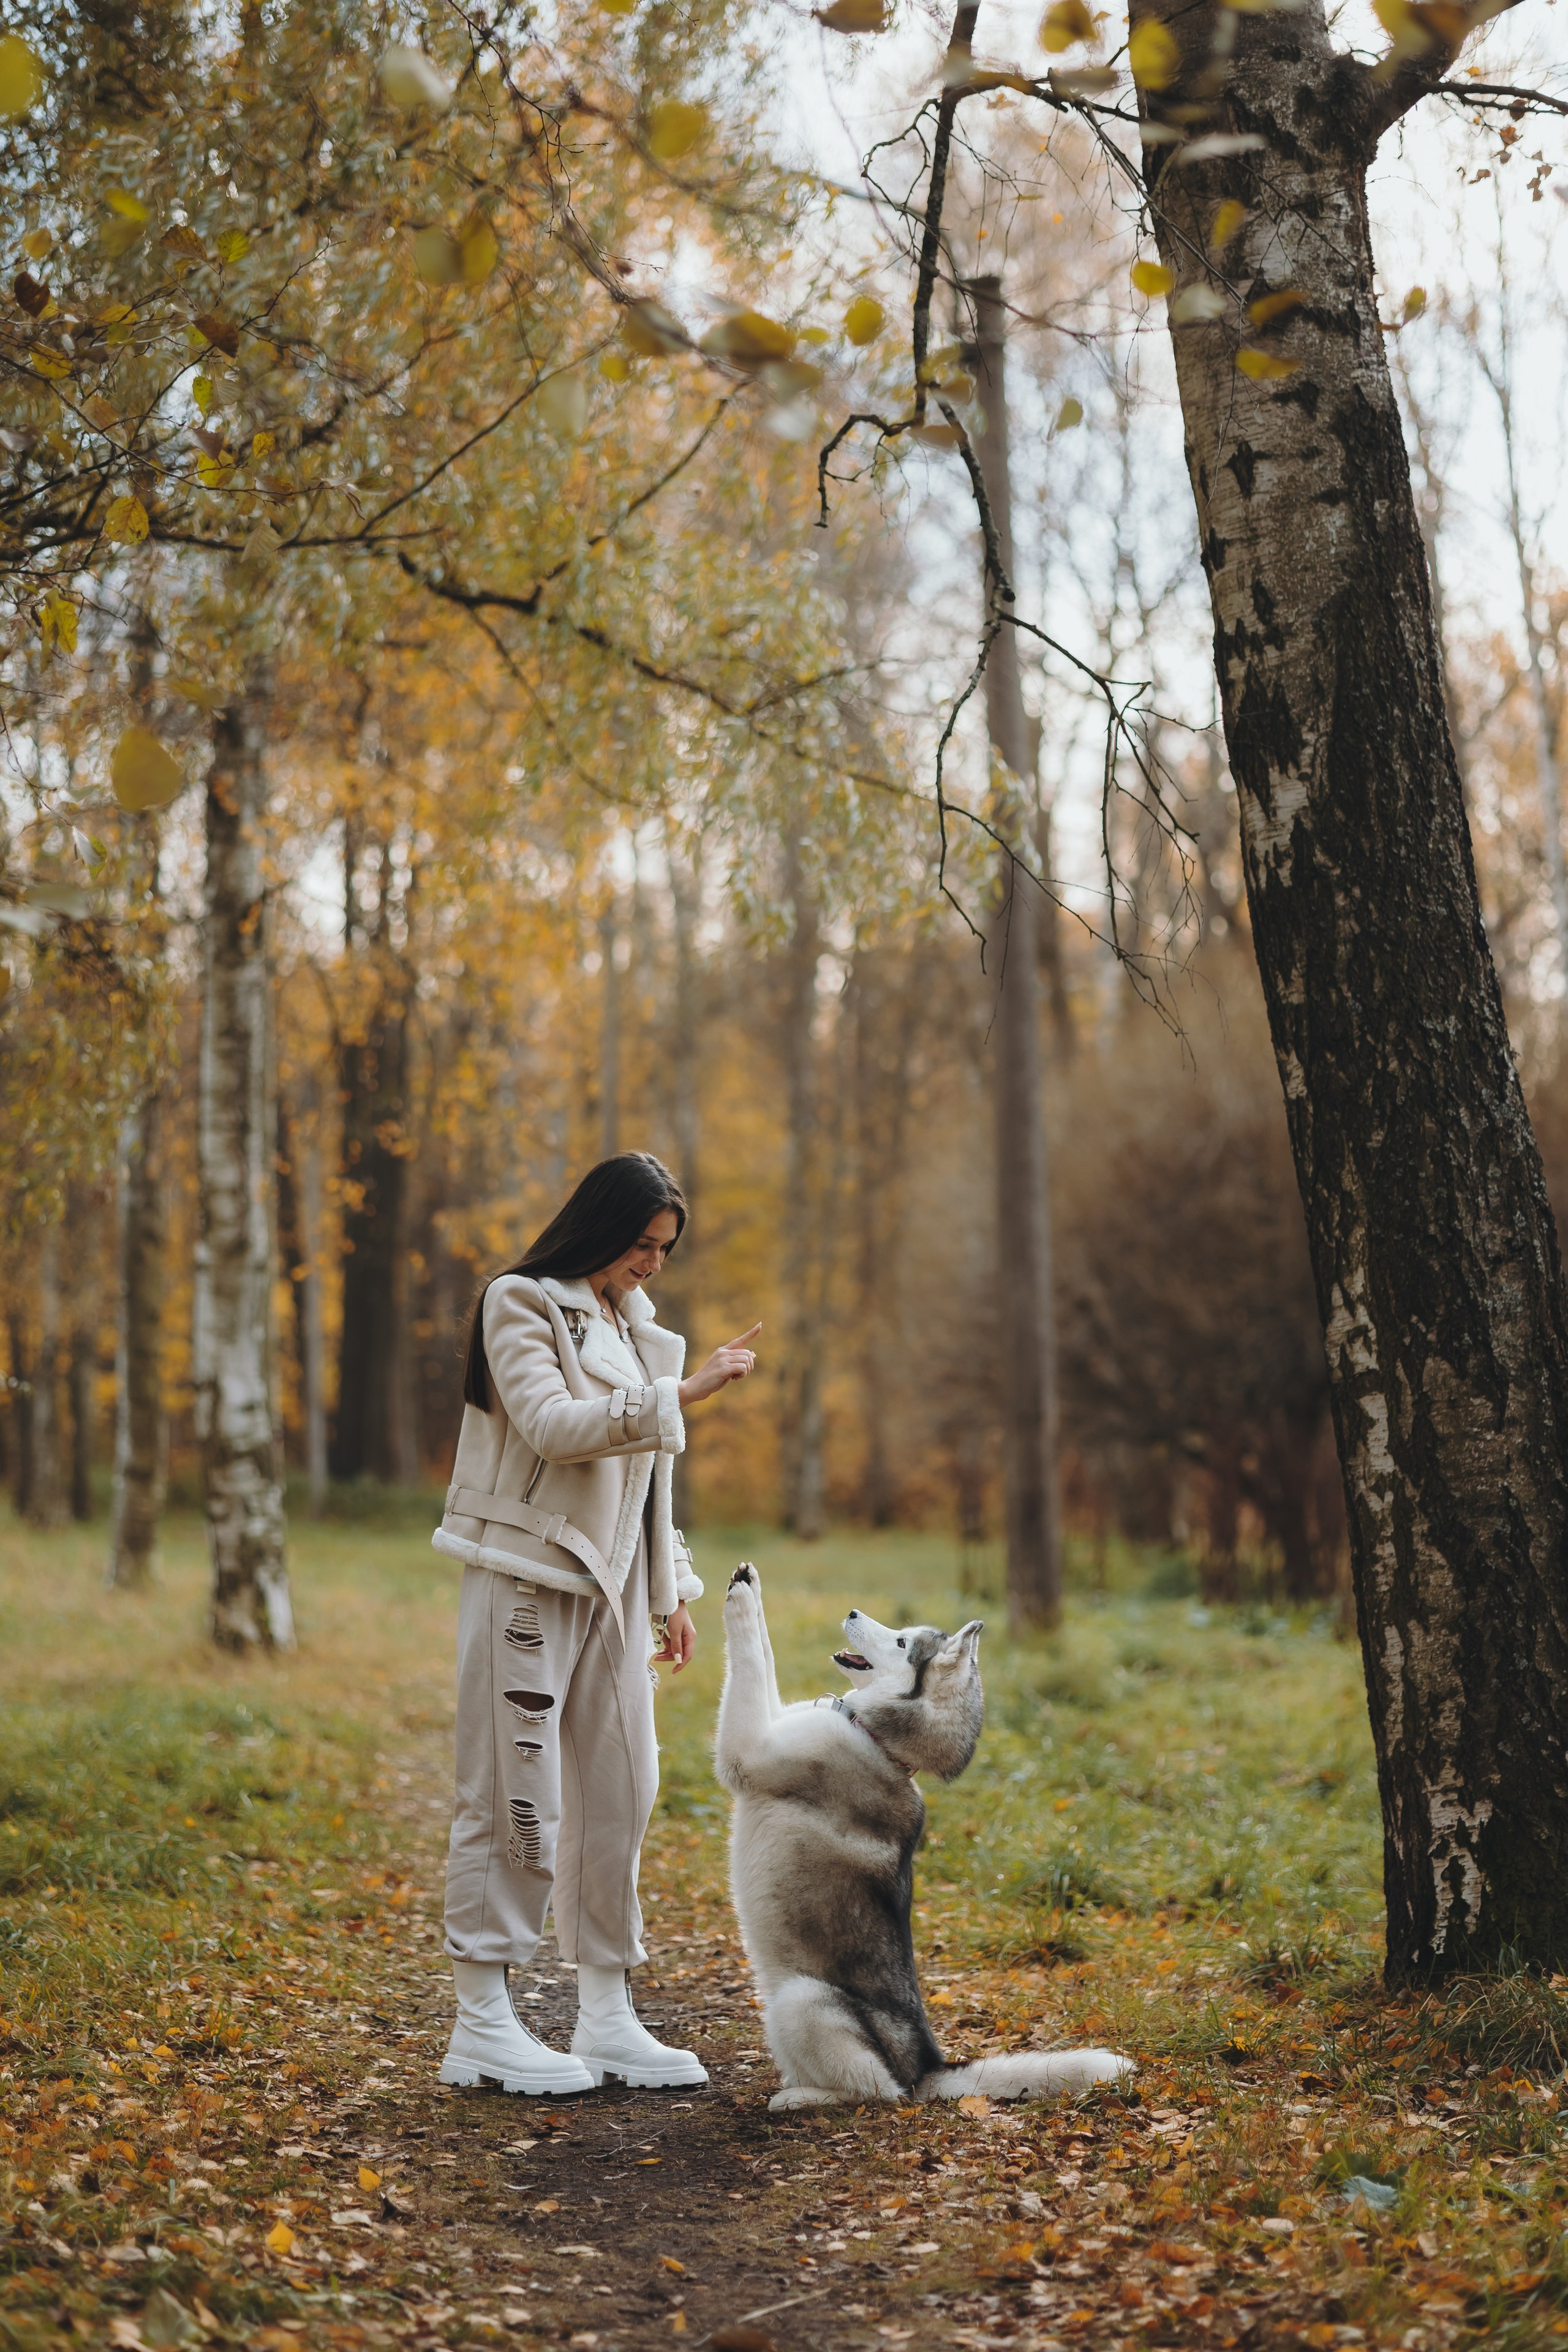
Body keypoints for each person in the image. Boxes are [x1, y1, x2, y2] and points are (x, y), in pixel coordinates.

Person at [432, 1151, 760, 2095]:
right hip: (528, 1576)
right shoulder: (520, 1301)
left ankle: (606, 2013)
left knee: (625, 1787)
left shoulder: (637, 1325)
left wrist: (675, 1588)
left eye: (665, 1249)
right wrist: (682, 1397)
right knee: (513, 1793)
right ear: (601, 1225)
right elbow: (551, 1426)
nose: (654, 1262)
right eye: (643, 1243)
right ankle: (482, 2020)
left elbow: (646, 1482)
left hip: (615, 1590)